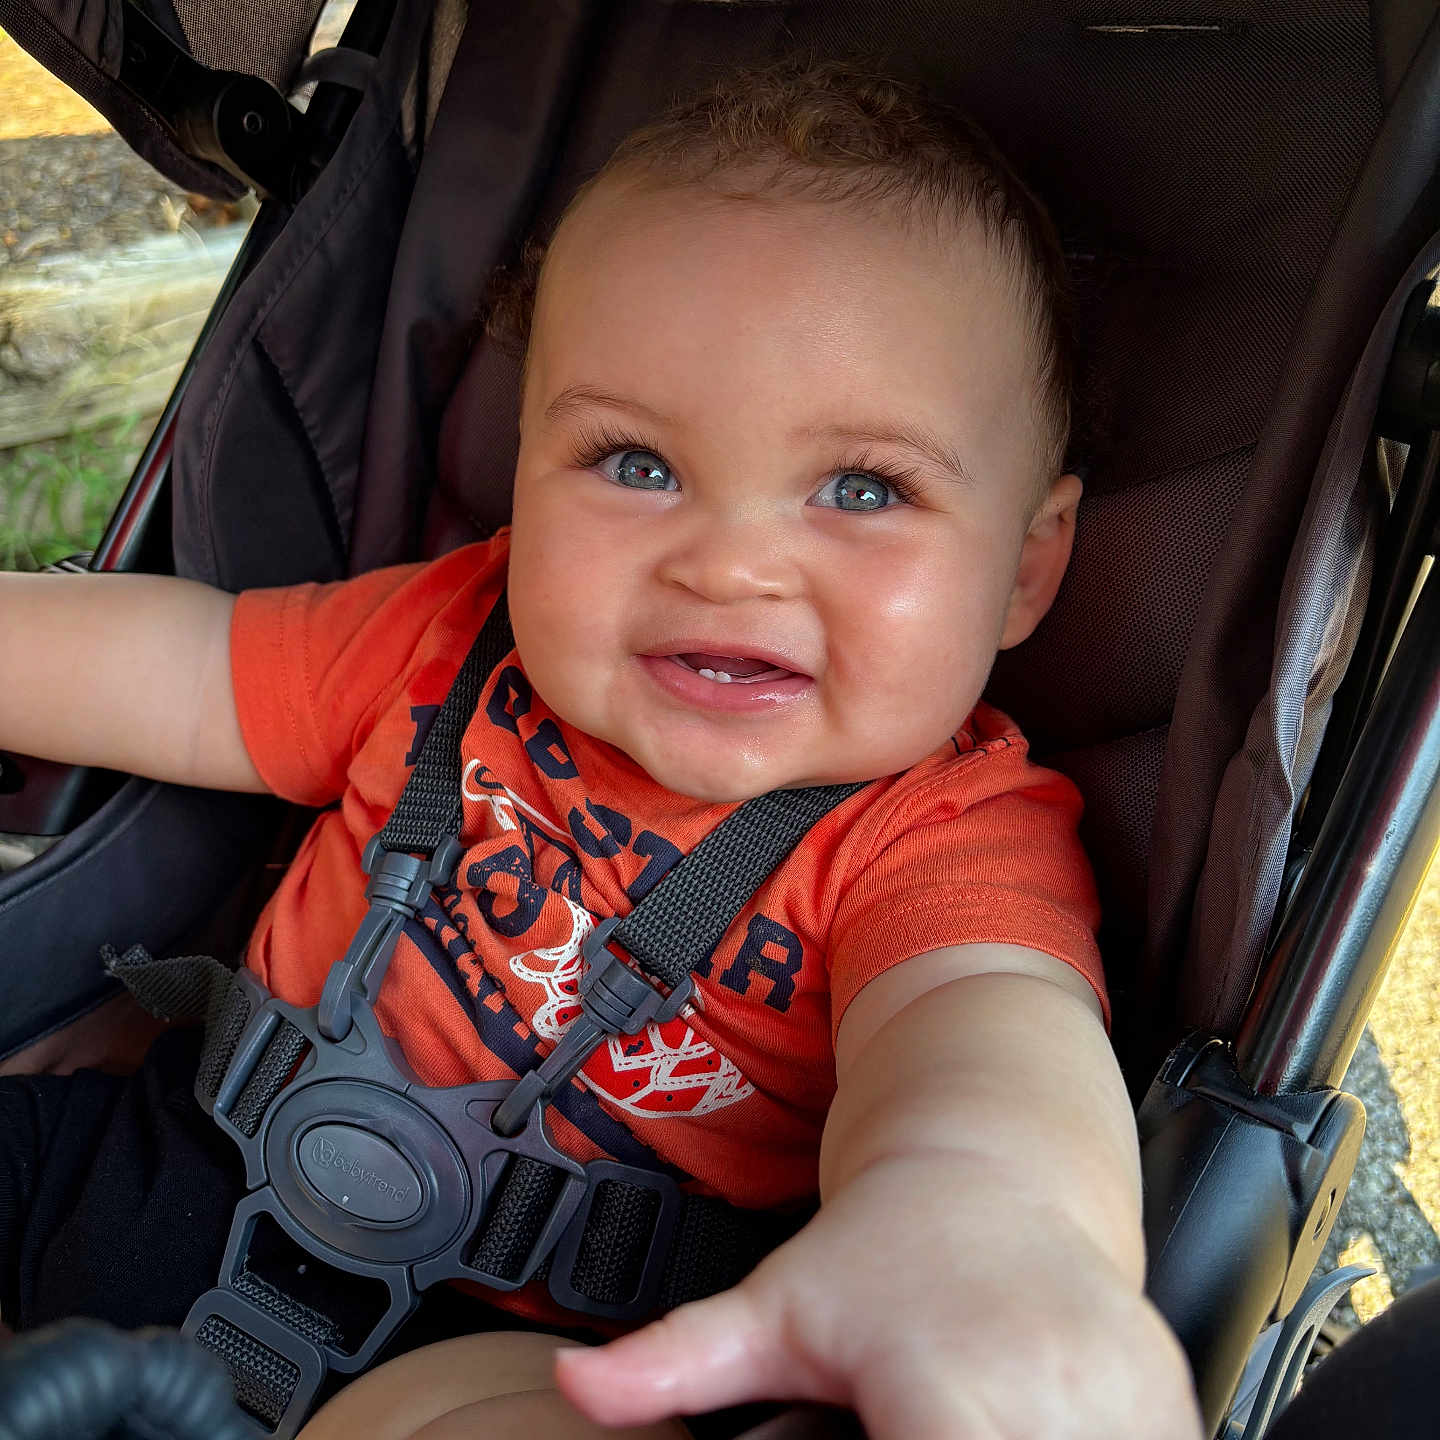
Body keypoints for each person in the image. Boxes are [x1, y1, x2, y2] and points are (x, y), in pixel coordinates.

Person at [0, 60, 1201, 1440]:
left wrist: (992, 1223)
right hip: (168, 1157)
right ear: (525, 461)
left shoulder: (938, 840)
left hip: (522, 1345)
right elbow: (192, 674)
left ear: (1027, 570)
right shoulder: (453, 636)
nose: (732, 562)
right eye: (636, 463)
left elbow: (983, 1034)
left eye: (863, 489)